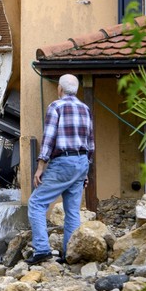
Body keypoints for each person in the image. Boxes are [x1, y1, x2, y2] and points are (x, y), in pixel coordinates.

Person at [26, 74, 95, 265]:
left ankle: (41, 249)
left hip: (63, 161)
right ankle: (68, 253)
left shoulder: (56, 106)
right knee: (72, 211)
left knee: (36, 203)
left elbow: (48, 139)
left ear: (59, 89)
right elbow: (90, 143)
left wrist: (40, 166)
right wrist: (85, 171)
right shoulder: (85, 109)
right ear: (77, 90)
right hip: (81, 161)